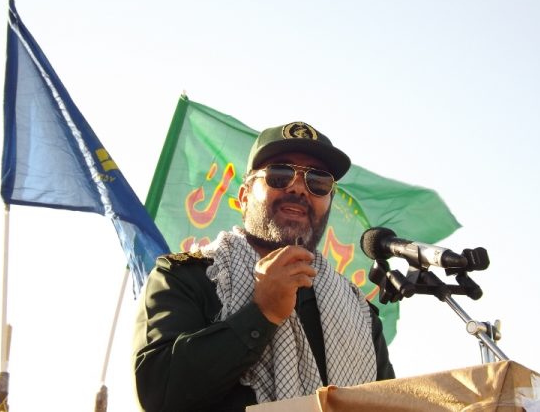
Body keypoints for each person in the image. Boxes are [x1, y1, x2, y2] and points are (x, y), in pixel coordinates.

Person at [133, 121, 395, 411]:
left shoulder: (357, 313)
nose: (299, 188)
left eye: (318, 182)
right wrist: (261, 315)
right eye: (280, 175)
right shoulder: (186, 277)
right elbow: (157, 395)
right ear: (244, 197)